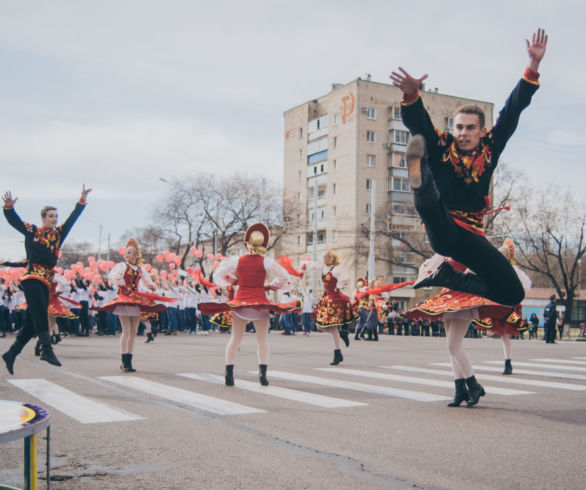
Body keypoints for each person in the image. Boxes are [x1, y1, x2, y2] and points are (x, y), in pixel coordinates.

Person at [390, 29, 548, 306]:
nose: (462, 133)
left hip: (472, 234)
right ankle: (418, 173)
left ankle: (448, 276)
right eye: (459, 127)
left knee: (512, 292)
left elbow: (513, 110)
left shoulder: (491, 145)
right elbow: (421, 124)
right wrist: (412, 93)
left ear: (481, 130)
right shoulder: (444, 144)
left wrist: (533, 65)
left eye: (469, 128)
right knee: (429, 193)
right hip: (444, 224)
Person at [2, 186, 91, 374]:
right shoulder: (33, 231)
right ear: (43, 218)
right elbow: (15, 222)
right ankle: (46, 349)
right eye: (51, 216)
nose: (54, 219)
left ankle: (11, 353)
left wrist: (81, 201)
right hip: (32, 277)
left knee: (32, 322)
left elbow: (72, 219)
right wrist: (8, 209)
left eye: (55, 216)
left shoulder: (58, 234)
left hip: (46, 280)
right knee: (41, 314)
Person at [199, 223, 299, 386]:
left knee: (235, 339)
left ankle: (229, 375)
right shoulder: (267, 261)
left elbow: (218, 274)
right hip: (260, 303)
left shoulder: (237, 260)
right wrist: (273, 285)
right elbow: (285, 277)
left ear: (248, 243)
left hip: (241, 302)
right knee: (262, 340)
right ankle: (262, 375)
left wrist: (233, 281)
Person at [99, 239, 175, 372]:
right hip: (124, 299)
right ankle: (124, 361)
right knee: (126, 330)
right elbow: (113, 276)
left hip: (135, 299)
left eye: (129, 253)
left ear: (134, 255)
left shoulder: (140, 269)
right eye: (126, 252)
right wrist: (120, 281)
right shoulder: (122, 266)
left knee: (133, 332)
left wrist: (152, 287)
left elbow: (146, 281)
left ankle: (129, 360)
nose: (126, 255)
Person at [312, 250, 355, 365]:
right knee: (321, 327)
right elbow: (313, 266)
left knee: (331, 326)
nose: (324, 260)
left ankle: (337, 352)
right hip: (326, 299)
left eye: (325, 258)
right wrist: (303, 267)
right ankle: (341, 334)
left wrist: (339, 286)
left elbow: (345, 279)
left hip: (334, 300)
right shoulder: (324, 269)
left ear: (331, 259)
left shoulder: (336, 269)